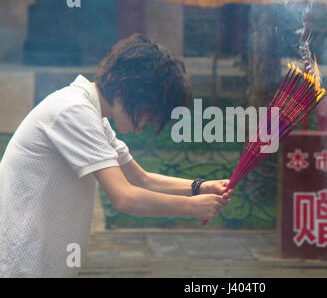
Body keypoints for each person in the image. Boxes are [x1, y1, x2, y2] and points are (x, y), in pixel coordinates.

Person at [0, 34, 232, 277]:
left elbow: (140, 179)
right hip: (23, 265)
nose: (146, 125)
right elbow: (125, 197)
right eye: (148, 112)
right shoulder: (72, 112)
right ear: (124, 91)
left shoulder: (93, 115)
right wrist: (192, 207)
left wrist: (200, 187)